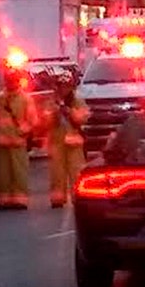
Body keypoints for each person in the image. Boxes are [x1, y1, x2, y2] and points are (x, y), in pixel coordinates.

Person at [0, 67, 38, 209]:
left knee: (19, 172)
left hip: (18, 142)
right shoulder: (0, 99)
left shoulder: (25, 99)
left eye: (13, 80)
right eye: (8, 80)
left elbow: (33, 120)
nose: (10, 83)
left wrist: (23, 131)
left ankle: (20, 200)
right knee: (2, 173)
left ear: (18, 81)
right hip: (2, 142)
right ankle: (4, 199)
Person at [45, 75, 89, 209]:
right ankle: (57, 199)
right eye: (61, 87)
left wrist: (70, 112)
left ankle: (78, 197)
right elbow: (45, 120)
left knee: (76, 172)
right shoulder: (52, 102)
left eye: (66, 87)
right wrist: (56, 113)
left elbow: (83, 118)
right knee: (57, 172)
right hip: (57, 142)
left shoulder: (78, 101)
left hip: (74, 144)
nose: (63, 90)